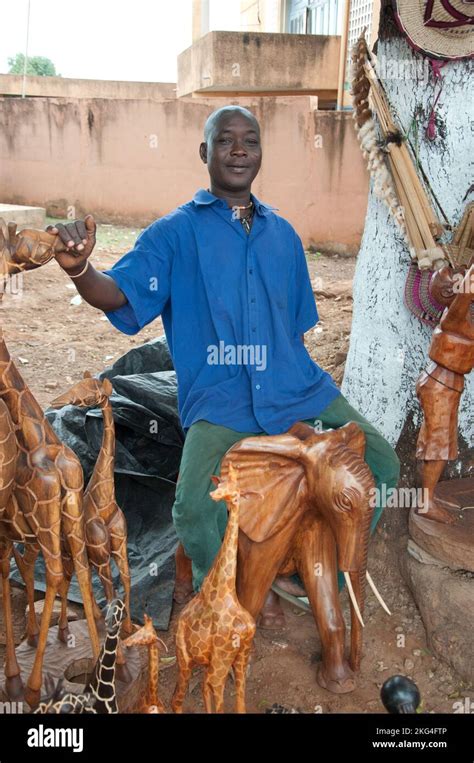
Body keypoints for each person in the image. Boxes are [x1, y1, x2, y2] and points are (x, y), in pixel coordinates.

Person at [49, 105, 400, 627]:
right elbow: (117, 292)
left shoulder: (284, 235)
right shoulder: (174, 234)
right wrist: (81, 270)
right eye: (225, 140)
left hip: (299, 388)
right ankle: (238, 586)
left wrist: (301, 415)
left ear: (260, 153)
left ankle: (301, 572)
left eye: (250, 140)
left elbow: (295, 327)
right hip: (221, 398)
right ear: (204, 153)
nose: (239, 149)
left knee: (384, 465)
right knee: (193, 509)